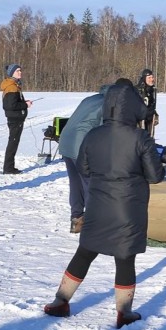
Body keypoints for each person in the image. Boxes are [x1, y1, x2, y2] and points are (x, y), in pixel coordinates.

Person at [43, 78, 165, 329]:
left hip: (98, 204)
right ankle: (124, 312)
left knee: (85, 251)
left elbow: (83, 168)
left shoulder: (93, 135)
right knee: (124, 258)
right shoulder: (140, 138)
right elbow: (156, 176)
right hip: (128, 208)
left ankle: (60, 301)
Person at [58, 83, 112, 233]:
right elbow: (104, 131)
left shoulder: (89, 99)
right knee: (91, 184)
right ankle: (92, 224)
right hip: (80, 146)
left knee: (75, 183)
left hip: (66, 142)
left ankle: (77, 219)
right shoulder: (107, 104)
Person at [0, 64, 33, 174]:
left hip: (16, 118)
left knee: (13, 142)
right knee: (13, 142)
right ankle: (8, 168)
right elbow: (10, 106)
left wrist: (24, 103)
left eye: (20, 70)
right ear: (12, 73)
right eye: (18, 71)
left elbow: (13, 103)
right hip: (15, 119)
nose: (20, 72)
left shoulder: (14, 85)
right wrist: (25, 105)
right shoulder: (11, 87)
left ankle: (9, 167)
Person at [137, 68, 158, 135]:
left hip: (150, 119)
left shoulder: (152, 90)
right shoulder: (138, 90)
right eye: (149, 78)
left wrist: (155, 113)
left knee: (150, 140)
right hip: (140, 121)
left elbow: (151, 105)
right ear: (144, 78)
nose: (152, 79)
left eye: (152, 77)